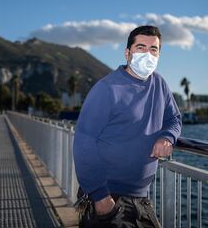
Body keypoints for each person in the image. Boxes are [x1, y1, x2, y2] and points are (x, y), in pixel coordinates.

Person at [73, 25, 182, 228]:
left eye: (153, 49)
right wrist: (100, 196)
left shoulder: (160, 85)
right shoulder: (107, 89)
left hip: (140, 197)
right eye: (141, 47)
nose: (148, 54)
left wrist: (167, 136)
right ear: (127, 53)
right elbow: (83, 142)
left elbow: (174, 118)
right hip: (107, 196)